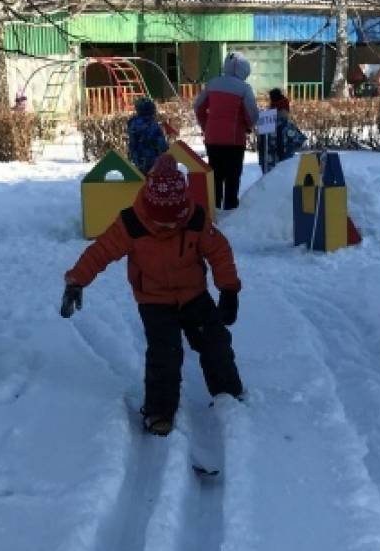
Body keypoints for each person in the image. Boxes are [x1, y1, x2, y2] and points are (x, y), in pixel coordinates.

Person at [60, 154, 243, 437]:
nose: (170, 226)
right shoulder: (131, 223)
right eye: (163, 220)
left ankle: (229, 395)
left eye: (175, 219)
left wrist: (229, 290)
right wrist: (77, 281)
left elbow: (219, 252)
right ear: (150, 206)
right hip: (154, 300)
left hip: (193, 294)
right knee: (164, 355)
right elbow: (101, 251)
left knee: (215, 341)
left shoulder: (194, 218)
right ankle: (159, 410)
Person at [193, 52, 259, 210]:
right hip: (234, 140)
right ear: (244, 70)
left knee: (215, 175)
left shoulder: (212, 84)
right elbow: (253, 114)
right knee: (233, 176)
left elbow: (198, 106)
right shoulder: (244, 89)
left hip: (212, 138)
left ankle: (213, 208)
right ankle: (230, 208)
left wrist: (205, 125)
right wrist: (248, 126)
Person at [259, 87, 307, 173]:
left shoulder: (265, 122)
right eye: (287, 110)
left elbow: (261, 144)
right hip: (282, 168)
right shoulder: (286, 125)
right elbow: (300, 140)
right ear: (283, 110)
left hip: (267, 167)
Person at [126, 95, 169, 175]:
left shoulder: (133, 123)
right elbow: (161, 144)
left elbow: (132, 142)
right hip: (153, 157)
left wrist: (132, 154)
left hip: (138, 157)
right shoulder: (153, 125)